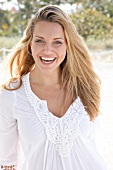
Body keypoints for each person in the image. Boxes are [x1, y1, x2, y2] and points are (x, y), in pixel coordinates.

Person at [0, 5, 107, 170]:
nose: (47, 50)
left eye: (57, 42)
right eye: (40, 40)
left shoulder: (86, 86)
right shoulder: (12, 95)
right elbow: (8, 164)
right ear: (30, 44)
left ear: (68, 46)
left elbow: (93, 148)